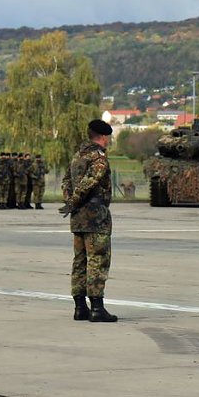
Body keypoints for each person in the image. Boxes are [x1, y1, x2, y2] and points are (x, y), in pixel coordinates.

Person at [60, 119, 117, 323]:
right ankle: (97, 308)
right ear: (103, 136)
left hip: (78, 218)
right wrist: (74, 200)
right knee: (97, 259)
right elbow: (89, 182)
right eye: (108, 137)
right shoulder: (98, 156)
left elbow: (66, 181)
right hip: (95, 216)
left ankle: (79, 307)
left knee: (80, 260)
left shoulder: (78, 156)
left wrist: (70, 202)